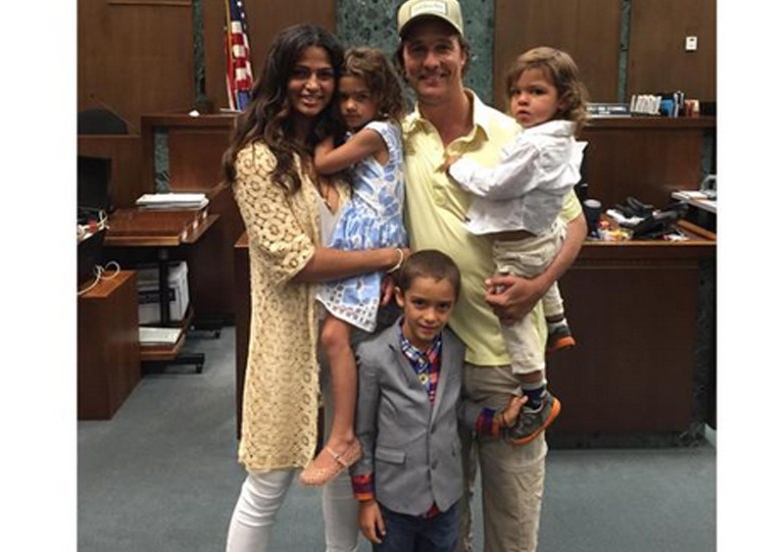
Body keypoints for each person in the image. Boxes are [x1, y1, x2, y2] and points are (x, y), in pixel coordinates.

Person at [393, 1, 587, 551]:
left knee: (512, 521)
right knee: (441, 521)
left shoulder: (517, 132)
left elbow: (573, 224)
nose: (431, 61)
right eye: (417, 49)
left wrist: (537, 286)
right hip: (432, 359)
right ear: (403, 60)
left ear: (464, 54)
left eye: (442, 47)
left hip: (504, 359)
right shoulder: (393, 140)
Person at [222, 24, 408, 552]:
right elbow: (296, 260)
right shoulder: (257, 159)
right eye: (301, 72)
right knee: (269, 480)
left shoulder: (342, 150)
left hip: (353, 328)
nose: (313, 85)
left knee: (346, 464)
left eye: (325, 74)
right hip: (290, 337)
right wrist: (392, 258)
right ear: (280, 77)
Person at [441, 46, 590, 446]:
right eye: (517, 92)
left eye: (536, 92)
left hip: (518, 249)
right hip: (543, 234)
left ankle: (537, 397)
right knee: (544, 254)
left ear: (563, 98)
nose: (523, 100)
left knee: (513, 319)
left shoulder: (533, 144)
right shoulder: (559, 138)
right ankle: (557, 323)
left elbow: (496, 184)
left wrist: (458, 167)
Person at [349, 249, 527, 552]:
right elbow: (363, 432)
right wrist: (366, 500)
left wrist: (496, 420)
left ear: (454, 306)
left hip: (444, 499)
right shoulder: (373, 355)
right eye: (420, 303)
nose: (431, 316)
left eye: (442, 307)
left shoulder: (455, 349)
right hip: (394, 500)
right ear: (401, 298)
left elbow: (455, 408)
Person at [300, 47, 410, 487]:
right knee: (338, 339)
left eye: (360, 97)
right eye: (343, 97)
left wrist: (323, 130)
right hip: (364, 241)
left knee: (334, 336)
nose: (349, 106)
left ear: (381, 97)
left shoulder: (378, 131)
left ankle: (343, 435)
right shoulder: (372, 131)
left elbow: (323, 163)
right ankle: (345, 431)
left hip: (372, 244)